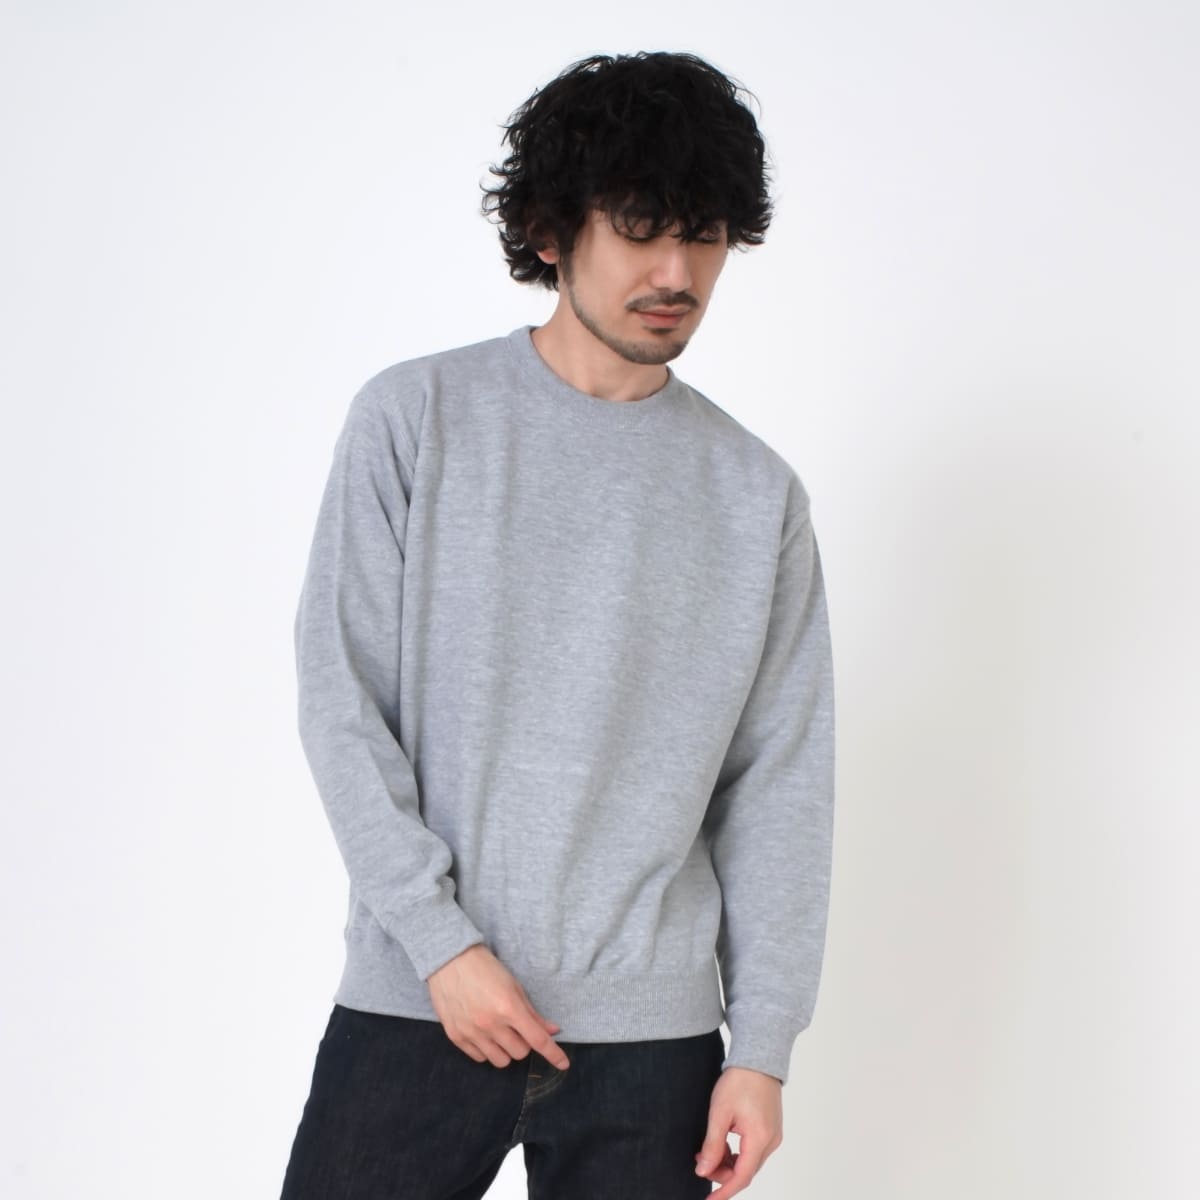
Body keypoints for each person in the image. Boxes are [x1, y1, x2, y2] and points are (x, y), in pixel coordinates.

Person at [279, 50, 835, 1200]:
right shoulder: (415, 421)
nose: (676, 272)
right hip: (423, 1001)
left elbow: (779, 787)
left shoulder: (756, 497)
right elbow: (343, 700)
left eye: (705, 235)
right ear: (549, 230)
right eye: (640, 229)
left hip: (654, 1048)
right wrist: (440, 943)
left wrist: (763, 1046)